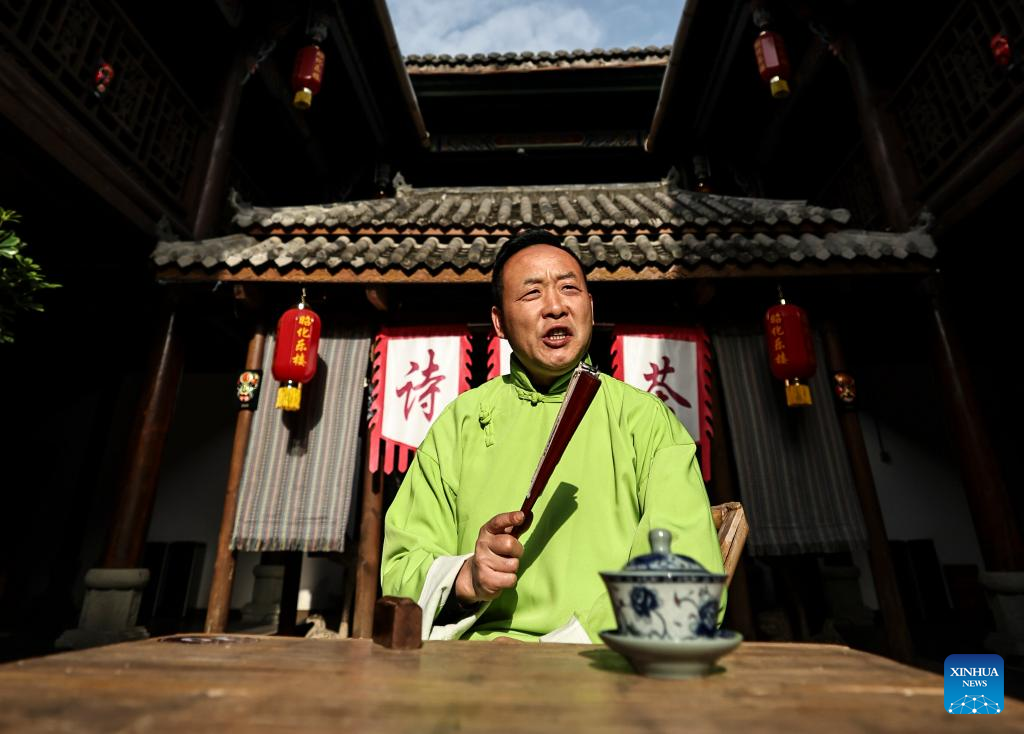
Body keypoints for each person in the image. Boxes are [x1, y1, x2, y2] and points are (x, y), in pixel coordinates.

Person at [381, 228, 724, 642]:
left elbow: (683, 573)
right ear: (499, 322)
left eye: (569, 288)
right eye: (532, 293)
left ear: (590, 308)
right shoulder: (460, 424)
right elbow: (399, 572)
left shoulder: (645, 421)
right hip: (472, 667)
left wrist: (572, 645)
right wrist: (465, 577)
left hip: (600, 660)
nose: (556, 306)